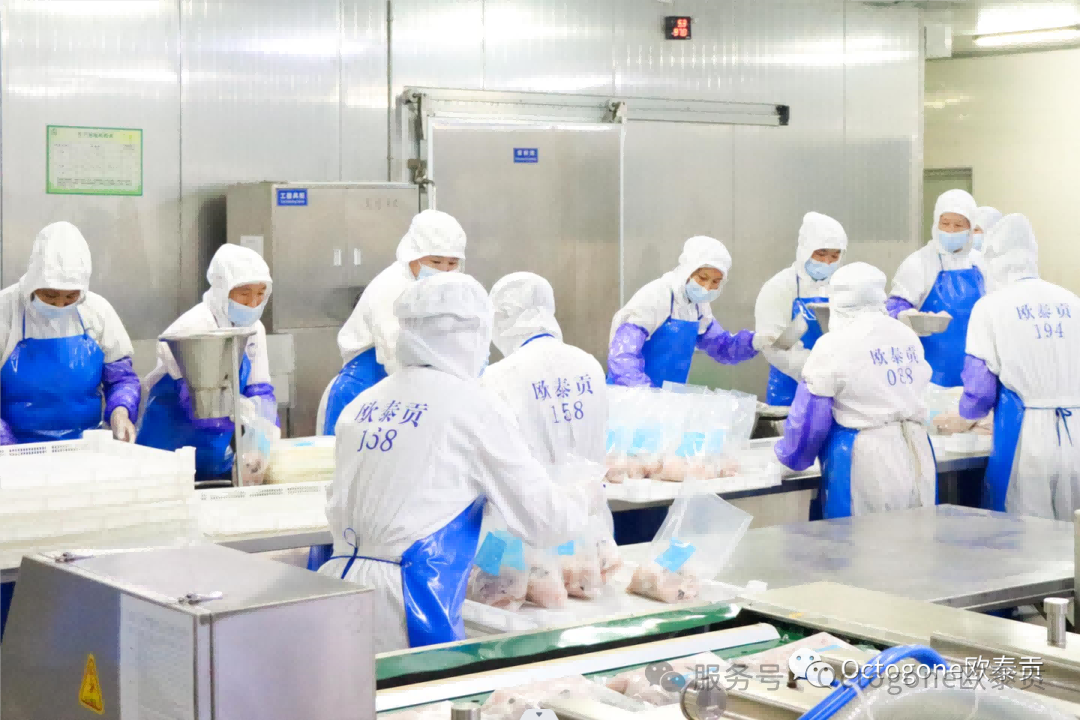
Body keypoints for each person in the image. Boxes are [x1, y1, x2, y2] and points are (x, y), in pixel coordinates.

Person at [319, 272, 595, 653]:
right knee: (419, 690)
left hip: (339, 589)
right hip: (411, 601)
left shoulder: (362, 405)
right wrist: (584, 497)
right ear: (473, 334)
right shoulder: (474, 407)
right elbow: (543, 520)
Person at [774, 262, 936, 519]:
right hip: (917, 449)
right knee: (917, 534)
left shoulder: (833, 344)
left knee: (864, 539)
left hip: (866, 457)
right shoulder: (906, 335)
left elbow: (811, 418)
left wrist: (790, 458)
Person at [956, 214, 1080, 521]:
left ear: (992, 260)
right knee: (1073, 533)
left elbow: (979, 391)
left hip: (1027, 438)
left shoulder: (990, 307)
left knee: (1025, 534)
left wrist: (965, 418)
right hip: (1076, 431)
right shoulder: (1072, 301)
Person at [321, 209, 467, 436]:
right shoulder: (391, 287)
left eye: (452, 263)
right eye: (436, 261)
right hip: (367, 383)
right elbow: (394, 352)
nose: (444, 270)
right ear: (413, 255)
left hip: (415, 382)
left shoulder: (447, 288)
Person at [138, 244, 277, 481]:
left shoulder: (255, 329)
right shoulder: (191, 329)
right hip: (165, 457)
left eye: (261, 293)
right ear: (223, 289)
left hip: (214, 458)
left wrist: (260, 442)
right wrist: (240, 411)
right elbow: (200, 409)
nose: (254, 303)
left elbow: (260, 390)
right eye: (244, 294)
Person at [0, 222, 139, 444]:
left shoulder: (98, 311)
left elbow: (121, 379)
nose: (59, 305)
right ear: (34, 281)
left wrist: (120, 411)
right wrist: (6, 445)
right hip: (15, 448)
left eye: (70, 297)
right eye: (50, 295)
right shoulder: (5, 310)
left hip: (85, 447)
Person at [481, 272, 607, 465]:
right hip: (592, 484)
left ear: (501, 317)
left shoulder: (498, 376)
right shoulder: (590, 364)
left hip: (528, 485)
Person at [608, 236, 760, 387]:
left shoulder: (698, 306)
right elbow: (622, 357)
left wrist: (754, 342)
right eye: (702, 278)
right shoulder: (657, 296)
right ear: (688, 270)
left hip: (668, 397)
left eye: (715, 282)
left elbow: (721, 347)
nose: (707, 288)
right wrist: (645, 394)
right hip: (632, 396)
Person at [886, 189, 984, 387]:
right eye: (945, 223)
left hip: (975, 374)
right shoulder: (919, 263)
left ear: (970, 228)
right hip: (930, 375)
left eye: (958, 225)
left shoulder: (981, 263)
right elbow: (893, 308)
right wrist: (909, 318)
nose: (951, 231)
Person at [755, 212, 848, 406]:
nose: (827, 262)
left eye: (835, 255)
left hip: (838, 390)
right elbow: (773, 345)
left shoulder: (844, 286)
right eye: (821, 253)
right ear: (805, 249)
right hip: (790, 391)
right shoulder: (780, 287)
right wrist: (815, 371)